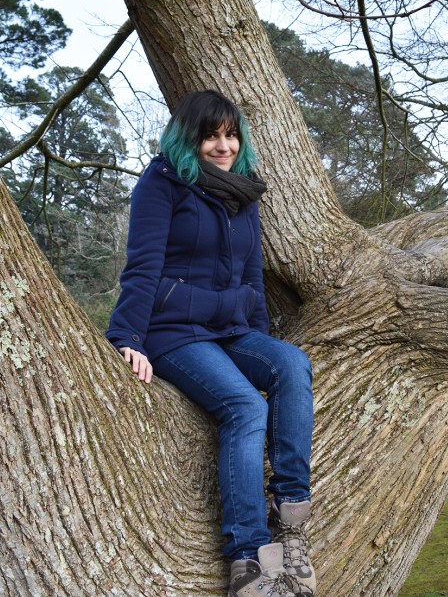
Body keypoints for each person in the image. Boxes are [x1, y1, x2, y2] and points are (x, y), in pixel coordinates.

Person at [106, 90, 315, 597]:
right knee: (245, 408)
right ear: (190, 138)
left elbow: (251, 276)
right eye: (210, 136)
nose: (222, 146)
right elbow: (143, 264)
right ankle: (246, 558)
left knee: (291, 365)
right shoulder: (162, 183)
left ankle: (291, 525)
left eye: (230, 135)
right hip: (174, 331)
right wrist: (128, 335)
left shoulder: (243, 193)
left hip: (232, 329)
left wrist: (261, 341)